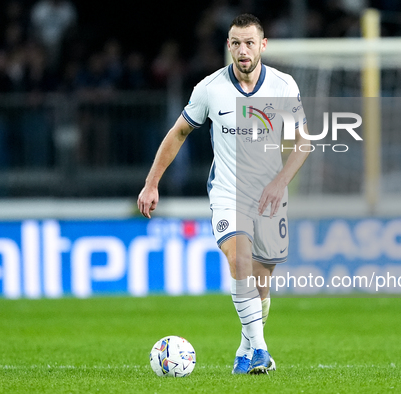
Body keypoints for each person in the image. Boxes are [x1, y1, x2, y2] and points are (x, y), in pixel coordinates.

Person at [137, 13, 310, 375]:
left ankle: (245, 351)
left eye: (250, 42)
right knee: (239, 261)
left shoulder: (283, 86)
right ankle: (260, 351)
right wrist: (152, 183)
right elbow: (179, 132)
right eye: (236, 43)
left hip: (269, 197)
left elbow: (302, 144)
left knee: (262, 285)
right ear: (228, 46)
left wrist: (280, 182)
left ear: (263, 45)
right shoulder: (210, 89)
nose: (243, 50)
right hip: (228, 192)